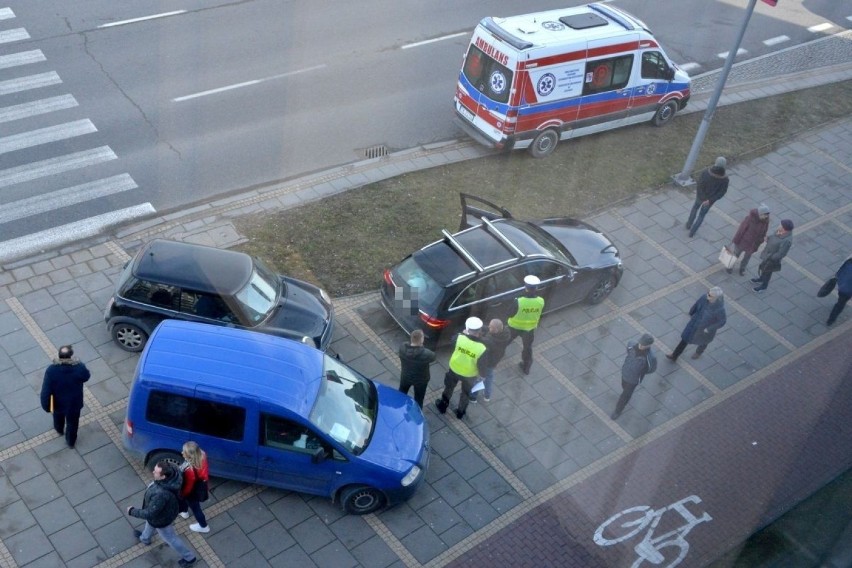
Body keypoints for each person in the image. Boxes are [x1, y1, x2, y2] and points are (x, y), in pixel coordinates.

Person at [127, 461, 197, 567]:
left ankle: (189, 557)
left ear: (163, 476)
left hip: (162, 519)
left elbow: (150, 513)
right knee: (150, 523)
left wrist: (132, 511)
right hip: (164, 513)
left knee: (171, 538)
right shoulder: (173, 471)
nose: (152, 472)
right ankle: (145, 538)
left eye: (155, 472)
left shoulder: (161, 494)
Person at [435, 317, 487, 420]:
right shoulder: (482, 348)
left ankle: (443, 406)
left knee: (448, 388)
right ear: (480, 330)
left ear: (467, 328)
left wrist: (463, 334)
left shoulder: (459, 338)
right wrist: (483, 376)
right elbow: (482, 365)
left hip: (454, 369)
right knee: (465, 394)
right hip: (469, 375)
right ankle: (460, 412)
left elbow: (452, 342)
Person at [40, 345, 90, 448]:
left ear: (59, 355)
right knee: (73, 423)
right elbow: (86, 376)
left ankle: (59, 429)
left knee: (57, 416)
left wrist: (46, 406)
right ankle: (70, 442)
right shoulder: (79, 368)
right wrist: (79, 362)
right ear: (71, 355)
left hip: (58, 403)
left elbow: (46, 390)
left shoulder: (51, 370)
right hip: (74, 403)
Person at [667, 287, 727, 361]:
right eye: (708, 293)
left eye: (710, 295)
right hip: (695, 323)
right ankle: (675, 355)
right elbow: (697, 304)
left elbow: (722, 321)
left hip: (705, 329)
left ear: (716, 298)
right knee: (685, 339)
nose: (707, 295)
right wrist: (692, 312)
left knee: (703, 342)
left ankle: (699, 352)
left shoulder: (720, 309)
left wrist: (709, 329)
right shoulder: (704, 297)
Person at [611, 334, 657, 420]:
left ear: (648, 346)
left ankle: (618, 410)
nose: (640, 346)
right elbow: (628, 352)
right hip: (625, 373)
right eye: (640, 343)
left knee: (625, 395)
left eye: (643, 345)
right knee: (623, 386)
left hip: (633, 380)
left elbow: (651, 369)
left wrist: (640, 373)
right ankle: (625, 397)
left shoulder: (650, 357)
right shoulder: (631, 345)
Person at [507, 275, 545, 375]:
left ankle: (496, 355)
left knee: (505, 341)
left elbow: (510, 313)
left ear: (525, 287)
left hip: (514, 327)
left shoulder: (518, 301)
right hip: (529, 329)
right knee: (527, 348)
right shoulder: (541, 301)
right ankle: (526, 367)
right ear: (536, 288)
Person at [685, 157, 729, 238]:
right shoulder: (725, 179)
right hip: (709, 201)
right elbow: (722, 192)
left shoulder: (706, 172)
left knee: (695, 208)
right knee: (701, 216)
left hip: (700, 197)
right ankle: (692, 232)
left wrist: (702, 197)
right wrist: (709, 200)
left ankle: (689, 224)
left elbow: (699, 185)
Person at [472, 319, 511, 402]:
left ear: (496, 330)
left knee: (480, 378)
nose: (489, 327)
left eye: (491, 327)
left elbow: (480, 339)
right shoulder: (505, 333)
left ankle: (473, 397)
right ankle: (487, 395)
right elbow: (487, 329)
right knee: (489, 377)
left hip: (486, 361)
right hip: (494, 360)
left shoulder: (490, 341)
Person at [397, 329, 436, 408]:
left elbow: (405, 344)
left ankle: (399, 409)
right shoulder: (426, 354)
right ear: (421, 340)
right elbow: (434, 357)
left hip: (405, 376)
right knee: (418, 400)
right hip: (421, 381)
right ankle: (416, 416)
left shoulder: (402, 348)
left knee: (401, 394)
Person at [752, 219, 794, 292]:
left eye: (781, 225)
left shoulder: (787, 241)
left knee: (768, 272)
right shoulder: (779, 231)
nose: (779, 226)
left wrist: (771, 257)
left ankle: (764, 286)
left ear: (784, 229)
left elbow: (781, 253)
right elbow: (773, 237)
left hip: (771, 259)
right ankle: (761, 278)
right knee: (763, 268)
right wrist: (768, 239)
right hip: (767, 254)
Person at [728, 204, 770, 276]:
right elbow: (741, 230)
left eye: (767, 215)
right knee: (736, 254)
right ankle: (730, 266)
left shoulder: (765, 221)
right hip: (742, 241)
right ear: (760, 213)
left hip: (753, 244)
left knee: (747, 257)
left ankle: (742, 268)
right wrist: (736, 240)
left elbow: (764, 231)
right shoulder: (749, 219)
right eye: (765, 214)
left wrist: (761, 240)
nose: (766, 216)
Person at [178, 441, 210, 533]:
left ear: (190, 456)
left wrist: (182, 494)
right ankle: (184, 512)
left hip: (192, 491)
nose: (182, 453)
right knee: (189, 503)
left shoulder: (190, 470)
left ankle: (203, 526)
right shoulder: (202, 454)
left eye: (184, 452)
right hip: (200, 485)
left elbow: (188, 487)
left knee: (196, 508)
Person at [826, 256, 852, 326]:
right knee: (841, 303)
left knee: (840, 302)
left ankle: (830, 320)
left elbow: (840, 270)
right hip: (847, 290)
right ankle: (831, 319)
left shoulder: (849, 262)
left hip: (843, 287)